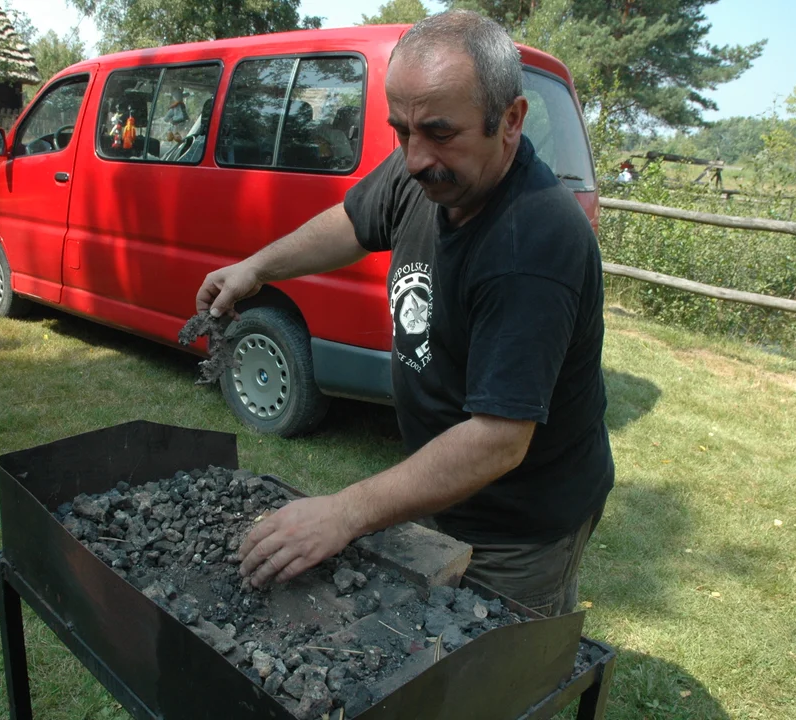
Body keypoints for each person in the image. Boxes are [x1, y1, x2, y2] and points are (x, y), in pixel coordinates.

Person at [194, 10, 614, 617]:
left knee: (496, 682)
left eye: (440, 134)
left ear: (512, 121)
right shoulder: (429, 164)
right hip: (446, 490)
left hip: (520, 524)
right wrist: (258, 267)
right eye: (401, 132)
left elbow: (498, 441)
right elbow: (357, 219)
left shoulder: (533, 242)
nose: (415, 158)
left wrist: (342, 512)